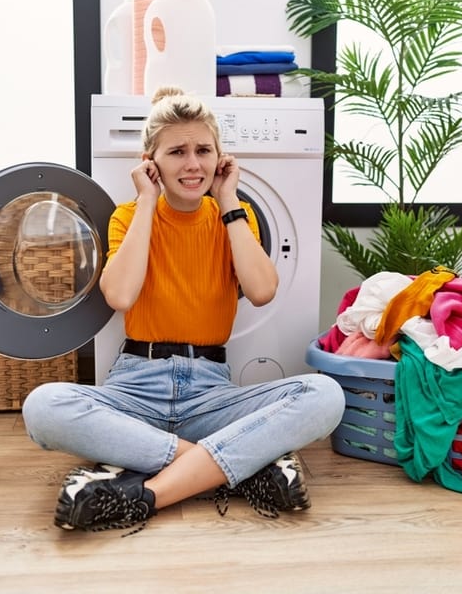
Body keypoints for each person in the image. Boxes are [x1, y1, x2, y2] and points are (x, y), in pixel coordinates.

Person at [21, 86, 345, 534]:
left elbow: (263, 289)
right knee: (44, 406)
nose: (193, 164)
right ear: (151, 161)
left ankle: (148, 493)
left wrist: (229, 200)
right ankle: (233, 466)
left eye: (203, 150)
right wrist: (148, 205)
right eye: (177, 151)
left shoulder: (235, 218)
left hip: (211, 393)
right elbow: (120, 296)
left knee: (325, 395)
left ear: (220, 158)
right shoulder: (129, 217)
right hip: (135, 388)